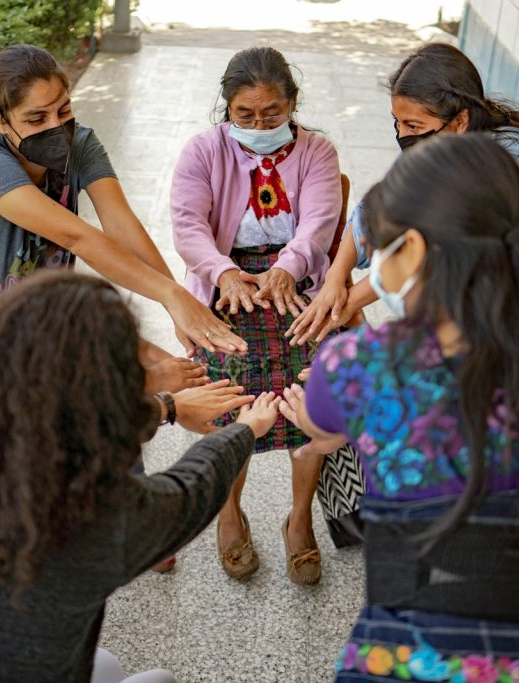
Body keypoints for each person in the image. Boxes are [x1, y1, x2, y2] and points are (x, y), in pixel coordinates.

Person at [280, 134, 519, 682]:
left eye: (380, 248)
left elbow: (324, 418)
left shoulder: (361, 365)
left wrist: (329, 426)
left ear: (414, 249)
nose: (374, 267)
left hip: (416, 659)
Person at [0, 271, 282, 683]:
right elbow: (192, 490)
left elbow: (61, 420)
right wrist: (245, 430)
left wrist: (167, 407)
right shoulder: (98, 520)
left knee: (109, 666)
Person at [0, 43, 244, 361]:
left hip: (43, 328)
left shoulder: (79, 143)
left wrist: (175, 304)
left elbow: (121, 224)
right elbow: (76, 237)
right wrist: (172, 295)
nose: (56, 127)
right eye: (36, 119)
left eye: (63, 110)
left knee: (170, 370)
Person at [170, 46, 342, 585]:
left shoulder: (317, 150)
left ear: (292, 102)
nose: (259, 124)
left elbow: (319, 221)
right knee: (231, 408)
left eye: (271, 113)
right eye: (245, 115)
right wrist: (222, 273)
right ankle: (228, 513)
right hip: (228, 289)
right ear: (227, 108)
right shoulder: (202, 150)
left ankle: (299, 519)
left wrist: (289, 267)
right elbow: (187, 225)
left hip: (297, 290)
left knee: (308, 405)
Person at [287, 42, 519, 345]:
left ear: (460, 121)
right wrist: (334, 277)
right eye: (397, 122)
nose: (403, 136)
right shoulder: (433, 143)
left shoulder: (517, 163)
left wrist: (349, 303)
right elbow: (377, 206)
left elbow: (438, 243)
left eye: (413, 125)